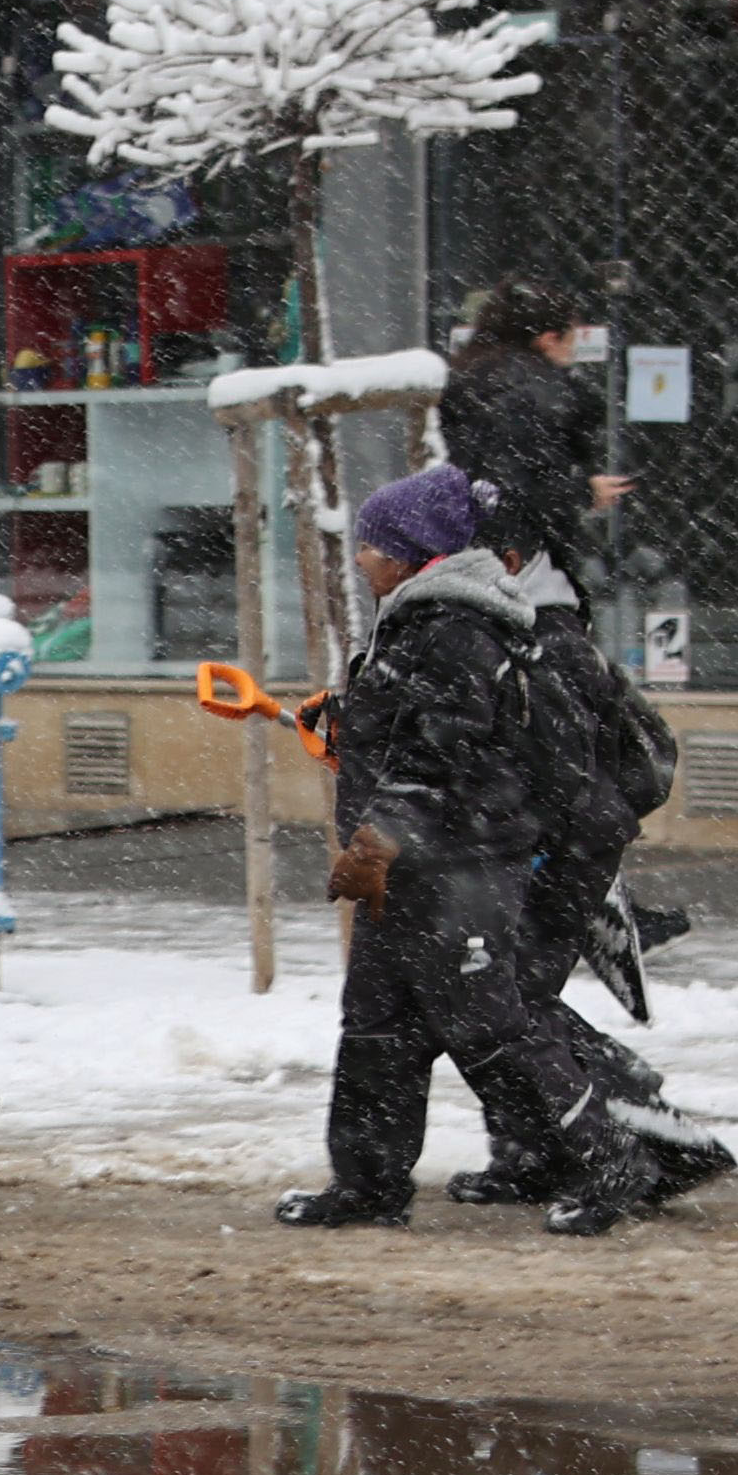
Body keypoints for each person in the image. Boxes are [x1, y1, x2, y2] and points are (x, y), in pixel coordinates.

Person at [286, 466, 658, 1236]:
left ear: (413, 551)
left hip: (462, 868)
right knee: (375, 1024)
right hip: (416, 867)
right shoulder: (419, 619)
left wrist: (375, 839)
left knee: (496, 1024)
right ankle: (368, 1184)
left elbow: (441, 754)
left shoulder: (452, 625)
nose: (360, 558)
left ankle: (610, 1161)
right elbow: (413, 731)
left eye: (370, 545)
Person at [460, 548, 729, 1212]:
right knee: (487, 1004)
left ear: (514, 561)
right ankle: (534, 1149)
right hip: (529, 848)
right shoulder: (513, 629)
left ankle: (635, 1122)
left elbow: (566, 765)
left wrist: (544, 843)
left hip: (553, 854)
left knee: (510, 1003)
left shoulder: (545, 641)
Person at [438, 281, 629, 603]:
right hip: (522, 563)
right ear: (547, 340)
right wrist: (584, 490)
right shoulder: (537, 393)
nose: (574, 350)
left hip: (459, 553)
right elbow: (516, 483)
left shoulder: (466, 379)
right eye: (571, 338)